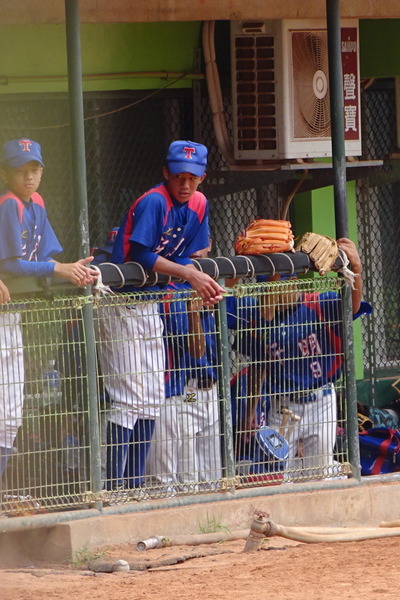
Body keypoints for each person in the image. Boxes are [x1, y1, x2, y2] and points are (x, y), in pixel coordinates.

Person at [97, 140, 225, 493]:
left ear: (202, 178)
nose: (185, 184)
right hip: (120, 302)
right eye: (179, 176)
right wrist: (189, 274)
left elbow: (190, 254)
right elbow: (140, 255)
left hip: (148, 303)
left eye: (192, 177)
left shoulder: (199, 203)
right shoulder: (155, 201)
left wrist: (196, 274)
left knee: (152, 395)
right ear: (166, 173)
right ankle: (115, 488)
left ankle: (135, 486)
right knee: (128, 399)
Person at [227, 237, 371, 480]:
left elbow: (352, 307)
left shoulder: (318, 305)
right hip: (282, 405)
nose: (276, 291)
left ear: (294, 281)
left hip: (321, 401)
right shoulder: (256, 314)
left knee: (319, 474)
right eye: (269, 286)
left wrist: (356, 268)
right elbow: (223, 304)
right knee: (277, 475)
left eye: (282, 283)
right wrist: (238, 264)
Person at [0, 138, 97, 484]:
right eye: (20, 170)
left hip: (13, 314)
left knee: (10, 415)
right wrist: (60, 269)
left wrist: (72, 269)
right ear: (5, 174)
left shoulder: (36, 203)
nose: (28, 176)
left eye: (34, 169)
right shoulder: (8, 204)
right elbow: (12, 264)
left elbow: (45, 256)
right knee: (4, 413)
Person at [145, 244, 222, 494]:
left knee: (213, 478)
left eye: (201, 244)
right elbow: (195, 351)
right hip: (187, 393)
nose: (197, 252)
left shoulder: (209, 284)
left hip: (212, 391)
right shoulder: (170, 294)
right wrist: (194, 313)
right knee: (188, 479)